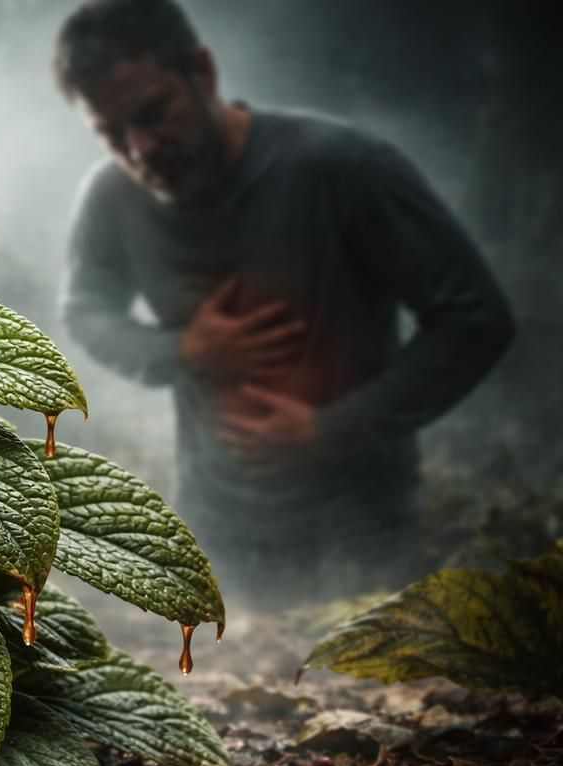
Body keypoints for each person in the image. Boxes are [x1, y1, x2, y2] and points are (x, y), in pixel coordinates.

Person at [54, 0, 514, 609]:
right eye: (111, 133)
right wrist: (182, 350)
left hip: (362, 534)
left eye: (153, 113)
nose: (140, 150)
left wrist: (337, 429)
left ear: (204, 72)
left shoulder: (345, 167)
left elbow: (475, 318)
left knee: (372, 699)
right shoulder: (111, 197)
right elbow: (84, 310)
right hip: (213, 533)